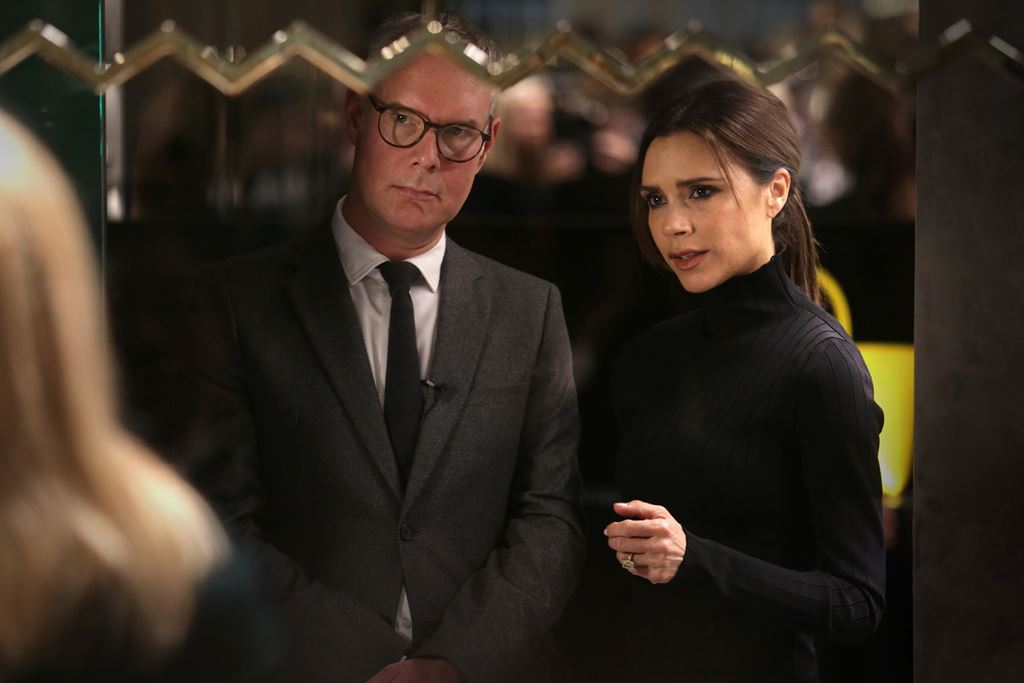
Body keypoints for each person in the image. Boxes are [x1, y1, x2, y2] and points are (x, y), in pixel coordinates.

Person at [183, 11, 585, 683]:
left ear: (487, 144)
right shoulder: (237, 301)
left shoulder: (530, 309)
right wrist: (365, 663)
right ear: (353, 115)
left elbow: (550, 521)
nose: (428, 156)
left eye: (457, 132)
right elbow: (213, 522)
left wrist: (453, 662)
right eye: (403, 120)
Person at [604, 78, 885, 682]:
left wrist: (694, 559)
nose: (673, 223)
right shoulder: (646, 359)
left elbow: (858, 602)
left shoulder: (821, 365)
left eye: (700, 192)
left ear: (776, 191)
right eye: (655, 199)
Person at [0, 113, 279, 682]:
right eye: (140, 309)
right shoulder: (171, 571)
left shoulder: (167, 580)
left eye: (176, 310)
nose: (155, 338)